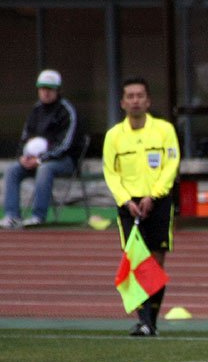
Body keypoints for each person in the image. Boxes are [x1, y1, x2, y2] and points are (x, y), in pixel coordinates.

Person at [103, 77, 180, 337]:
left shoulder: (164, 130)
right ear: (122, 102)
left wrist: (153, 196)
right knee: (136, 261)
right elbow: (111, 173)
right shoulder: (114, 136)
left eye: (140, 96)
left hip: (158, 202)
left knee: (156, 262)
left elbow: (171, 165)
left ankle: (151, 321)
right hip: (129, 205)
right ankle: (144, 322)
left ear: (148, 101)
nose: (135, 100)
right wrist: (126, 200)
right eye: (130, 96)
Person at [1, 69, 83, 229]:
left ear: (58, 90)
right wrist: (24, 156)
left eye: (50, 89)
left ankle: (38, 216)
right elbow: (25, 137)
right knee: (12, 170)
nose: (46, 92)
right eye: (43, 88)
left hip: (64, 161)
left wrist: (41, 159)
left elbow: (65, 145)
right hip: (35, 160)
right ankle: (12, 216)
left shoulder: (67, 111)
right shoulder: (36, 110)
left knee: (45, 169)